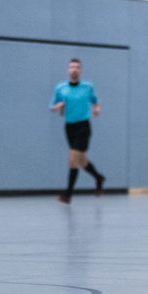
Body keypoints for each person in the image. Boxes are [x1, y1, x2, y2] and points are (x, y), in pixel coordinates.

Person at [50, 58, 105, 204]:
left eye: (77, 67)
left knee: (73, 159)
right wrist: (57, 107)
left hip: (83, 126)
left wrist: (97, 108)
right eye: (72, 67)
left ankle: (68, 195)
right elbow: (52, 104)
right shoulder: (60, 88)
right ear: (68, 70)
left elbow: (95, 101)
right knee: (81, 161)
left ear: (80, 70)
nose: (74, 69)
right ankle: (99, 178)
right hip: (69, 127)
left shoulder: (88, 87)